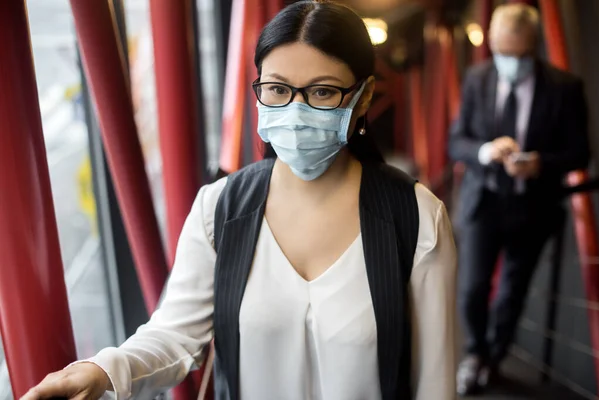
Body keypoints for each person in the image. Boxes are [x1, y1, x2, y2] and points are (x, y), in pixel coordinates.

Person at [23, 1, 457, 399]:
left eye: (322, 92)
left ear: (362, 98)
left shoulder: (415, 217)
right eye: (277, 89)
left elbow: (435, 384)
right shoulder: (221, 209)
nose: (296, 109)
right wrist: (102, 371)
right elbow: (175, 336)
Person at [448, 3, 589, 396]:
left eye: (518, 54)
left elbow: (580, 152)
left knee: (513, 291)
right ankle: (474, 353)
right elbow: (456, 142)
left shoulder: (565, 87)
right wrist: (484, 151)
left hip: (533, 206)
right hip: (484, 201)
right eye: (501, 53)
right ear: (491, 44)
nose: (508, 62)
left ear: (535, 46)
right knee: (473, 288)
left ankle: (493, 359)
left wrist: (540, 164)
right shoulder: (477, 78)